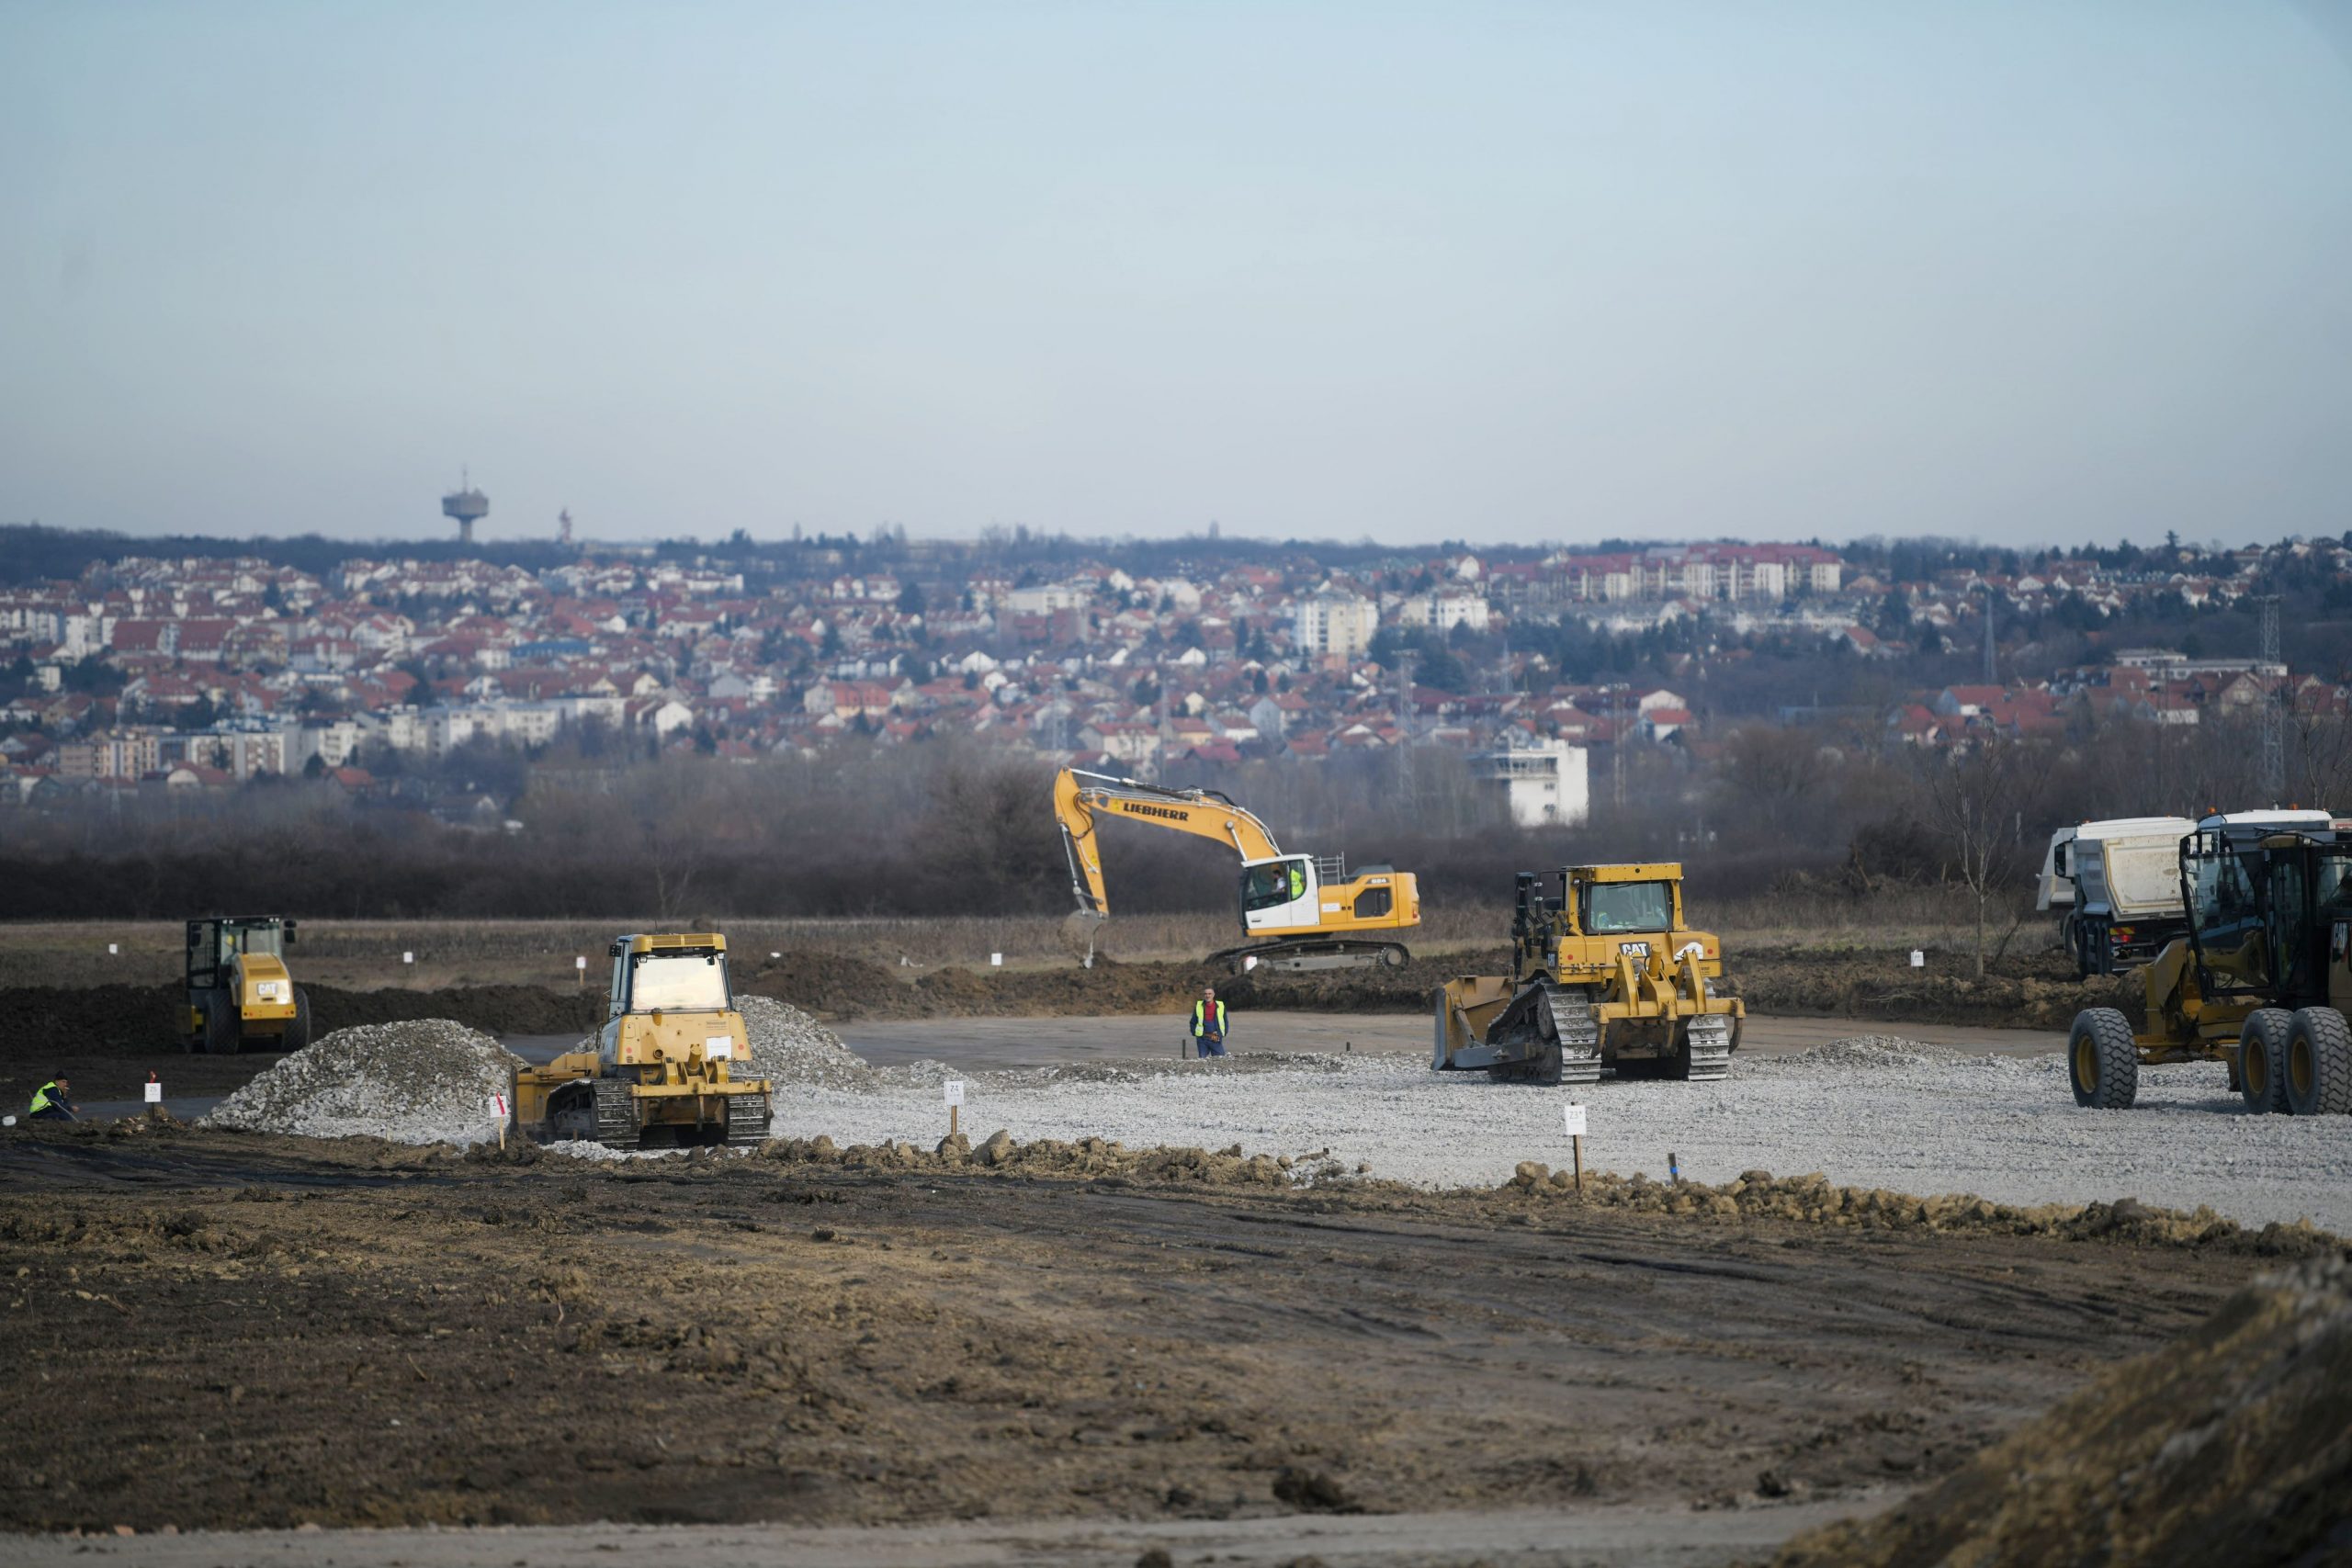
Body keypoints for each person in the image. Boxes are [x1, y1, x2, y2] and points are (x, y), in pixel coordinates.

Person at [1190, 987, 1230, 1058]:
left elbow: (1225, 1021)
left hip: (1216, 1038)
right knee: (1202, 1060)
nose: (1207, 995)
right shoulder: (1198, 1006)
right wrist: (1195, 1033)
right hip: (1202, 1039)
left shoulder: (1220, 1005)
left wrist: (1222, 1034)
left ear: (1213, 995)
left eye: (1209, 994)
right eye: (1205, 994)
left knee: (1220, 1059)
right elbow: (1193, 1022)